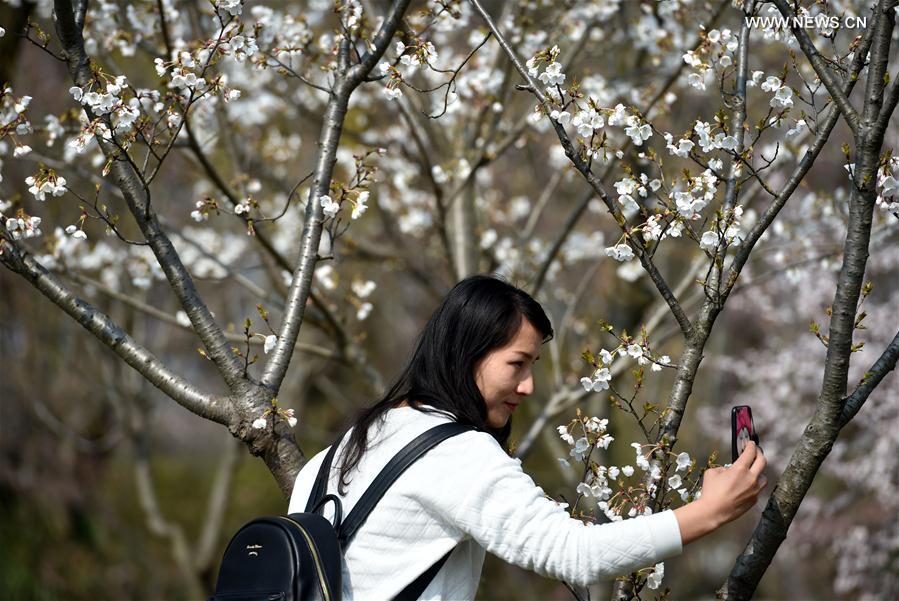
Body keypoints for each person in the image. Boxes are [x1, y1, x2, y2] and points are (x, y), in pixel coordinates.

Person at [288, 274, 768, 599]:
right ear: (466, 355)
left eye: (532, 365)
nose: (528, 386)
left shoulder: (341, 450)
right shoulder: (455, 453)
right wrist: (709, 512)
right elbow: (575, 554)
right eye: (517, 364)